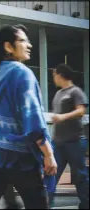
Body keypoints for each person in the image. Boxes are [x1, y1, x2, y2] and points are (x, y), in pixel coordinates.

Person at [0, 24, 57, 209]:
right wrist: (48, 153)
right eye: (23, 40)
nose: (29, 45)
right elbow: (32, 117)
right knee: (38, 204)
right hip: (19, 156)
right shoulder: (22, 73)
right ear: (8, 47)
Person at [49, 64, 89, 209]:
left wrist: (62, 116)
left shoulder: (75, 92)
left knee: (80, 177)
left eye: (54, 75)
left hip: (75, 142)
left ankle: (86, 205)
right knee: (50, 175)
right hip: (57, 144)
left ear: (60, 75)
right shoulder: (58, 94)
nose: (53, 78)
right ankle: (45, 205)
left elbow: (81, 111)